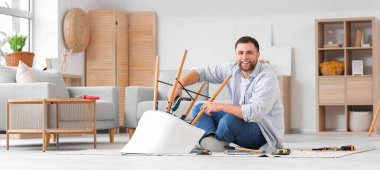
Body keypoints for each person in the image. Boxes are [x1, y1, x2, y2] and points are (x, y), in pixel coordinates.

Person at [167, 36, 284, 152]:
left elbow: (255, 113)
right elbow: (202, 72)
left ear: (257, 55)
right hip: (239, 122)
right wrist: (178, 85)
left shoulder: (267, 78)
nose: (244, 57)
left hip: (262, 133)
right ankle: (211, 141)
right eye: (240, 53)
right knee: (200, 108)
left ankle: (210, 142)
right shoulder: (232, 68)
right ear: (236, 55)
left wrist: (220, 106)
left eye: (249, 53)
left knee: (228, 121)